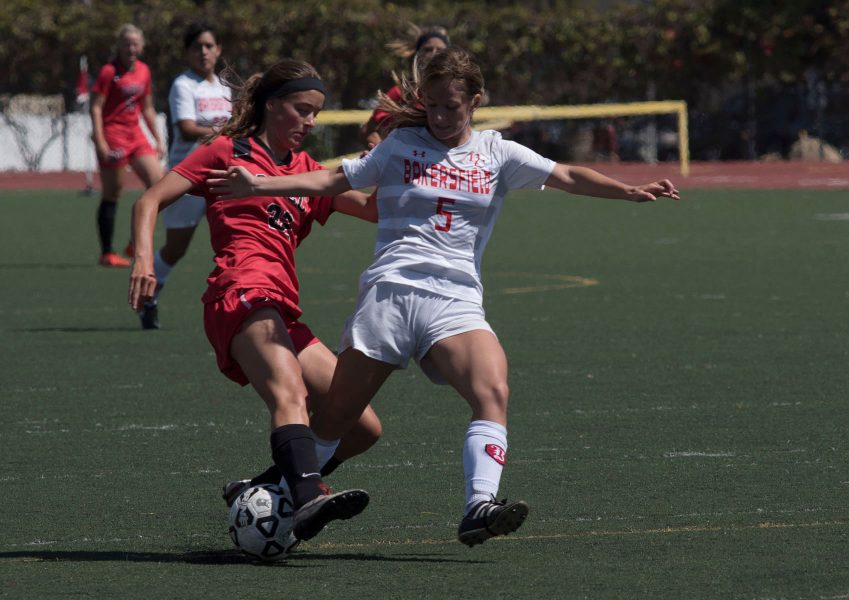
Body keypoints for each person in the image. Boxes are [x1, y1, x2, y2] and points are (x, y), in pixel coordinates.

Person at [206, 47, 680, 547]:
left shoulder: (499, 153)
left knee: (492, 390)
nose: (439, 116)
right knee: (338, 420)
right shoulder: (400, 145)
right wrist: (260, 184)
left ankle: (479, 505)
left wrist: (627, 191)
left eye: (450, 106)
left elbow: (567, 175)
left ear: (474, 101)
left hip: (454, 300)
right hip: (391, 292)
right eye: (431, 105)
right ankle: (267, 490)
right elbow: (335, 179)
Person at [128, 58, 381, 541]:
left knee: (362, 425)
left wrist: (394, 157)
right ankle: (308, 499)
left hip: (281, 308)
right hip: (237, 294)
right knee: (290, 396)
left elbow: (374, 208)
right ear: (271, 105)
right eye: (301, 109)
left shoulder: (308, 172)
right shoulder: (226, 151)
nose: (309, 123)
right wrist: (144, 260)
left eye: (315, 114)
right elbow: (148, 200)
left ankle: (258, 487)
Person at [138, 22, 232, 330]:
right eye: (197, 47)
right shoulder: (183, 85)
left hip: (222, 176)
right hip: (188, 177)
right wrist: (226, 131)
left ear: (218, 50)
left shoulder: (224, 87)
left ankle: (239, 305)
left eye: (208, 45)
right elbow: (187, 128)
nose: (203, 52)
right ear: (188, 53)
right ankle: (149, 294)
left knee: (236, 240)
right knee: (176, 248)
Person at [90, 24, 165, 267]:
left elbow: (147, 107)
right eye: (126, 44)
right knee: (113, 192)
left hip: (136, 135)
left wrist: (158, 138)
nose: (131, 48)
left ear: (141, 47)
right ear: (119, 47)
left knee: (159, 184)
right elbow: (96, 106)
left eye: (135, 44)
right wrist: (100, 141)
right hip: (113, 135)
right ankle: (107, 252)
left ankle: (136, 241)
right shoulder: (108, 72)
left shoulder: (144, 71)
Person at [359, 24, 449, 149]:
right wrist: (387, 157)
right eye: (428, 49)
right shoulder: (401, 92)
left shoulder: (454, 92)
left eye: (440, 50)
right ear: (417, 55)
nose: (433, 54)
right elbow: (368, 131)